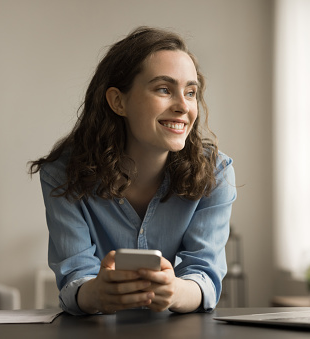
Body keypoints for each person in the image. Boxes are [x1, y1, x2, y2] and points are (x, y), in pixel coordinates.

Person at [29, 26, 237, 316]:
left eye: (191, 92)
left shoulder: (217, 172)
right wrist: (98, 293)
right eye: (164, 89)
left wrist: (174, 291)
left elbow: (205, 277)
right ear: (118, 101)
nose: (183, 107)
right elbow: (74, 279)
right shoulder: (62, 173)